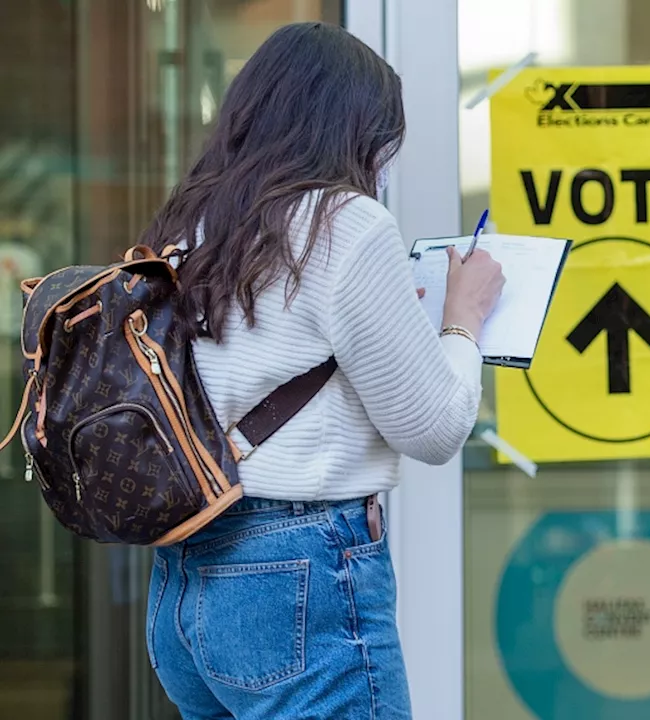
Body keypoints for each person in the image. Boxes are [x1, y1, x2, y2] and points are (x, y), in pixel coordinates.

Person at [139, 23, 504, 719]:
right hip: (300, 570)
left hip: (185, 580)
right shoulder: (348, 222)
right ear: (356, 129)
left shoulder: (189, 226)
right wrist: (465, 317)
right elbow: (434, 429)